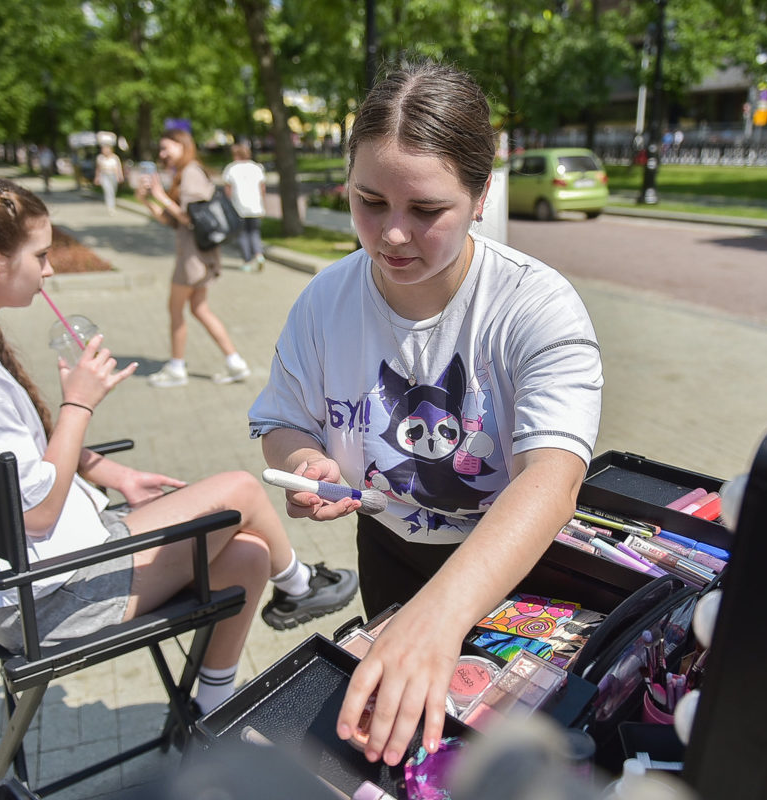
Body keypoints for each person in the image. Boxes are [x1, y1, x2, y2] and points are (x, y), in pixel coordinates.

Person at [248, 61, 603, 766]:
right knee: (403, 757)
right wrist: (304, 462)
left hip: (513, 566)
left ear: (480, 196)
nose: (391, 236)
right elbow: (280, 422)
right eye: (368, 202)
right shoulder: (324, 300)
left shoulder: (535, 305)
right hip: (386, 553)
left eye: (425, 210)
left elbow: (551, 480)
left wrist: (437, 617)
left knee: (502, 760)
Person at [0, 175, 358, 712]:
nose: (49, 270)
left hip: (46, 572)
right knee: (238, 489)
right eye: (40, 255)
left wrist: (114, 475)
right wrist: (79, 404)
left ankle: (211, 708)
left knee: (250, 552)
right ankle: (301, 586)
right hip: (46, 597)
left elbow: (20, 460)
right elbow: (39, 513)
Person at [137, 129, 251, 387]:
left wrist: (161, 195)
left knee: (175, 309)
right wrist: (148, 201)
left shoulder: (190, 173)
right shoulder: (185, 173)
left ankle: (177, 368)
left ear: (182, 145)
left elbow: (190, 218)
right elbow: (174, 221)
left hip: (193, 258)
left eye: (167, 148)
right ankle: (235, 363)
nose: (162, 154)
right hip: (199, 254)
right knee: (199, 308)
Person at [222, 142, 267, 271]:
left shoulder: (231, 168)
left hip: (239, 206)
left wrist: (228, 205)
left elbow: (228, 190)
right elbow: (262, 188)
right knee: (254, 232)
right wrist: (262, 204)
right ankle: (259, 254)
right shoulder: (256, 167)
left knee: (242, 234)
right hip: (255, 205)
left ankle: (247, 261)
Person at [94, 143, 124, 215]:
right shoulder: (100, 158)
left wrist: (120, 176)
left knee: (113, 191)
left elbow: (118, 167)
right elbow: (98, 169)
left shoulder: (115, 157)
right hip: (104, 176)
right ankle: (110, 207)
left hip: (113, 175)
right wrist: (97, 177)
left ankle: (112, 205)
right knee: (108, 191)